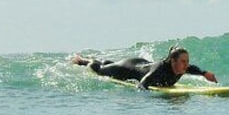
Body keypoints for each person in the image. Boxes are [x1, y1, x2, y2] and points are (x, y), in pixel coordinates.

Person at [72, 46, 217, 89]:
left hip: (141, 63)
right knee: (100, 70)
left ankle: (102, 61)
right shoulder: (159, 70)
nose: (186, 65)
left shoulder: (181, 67)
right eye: (183, 61)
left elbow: (193, 69)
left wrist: (205, 73)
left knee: (108, 64)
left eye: (187, 61)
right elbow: (142, 84)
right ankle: (82, 61)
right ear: (173, 61)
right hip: (127, 68)